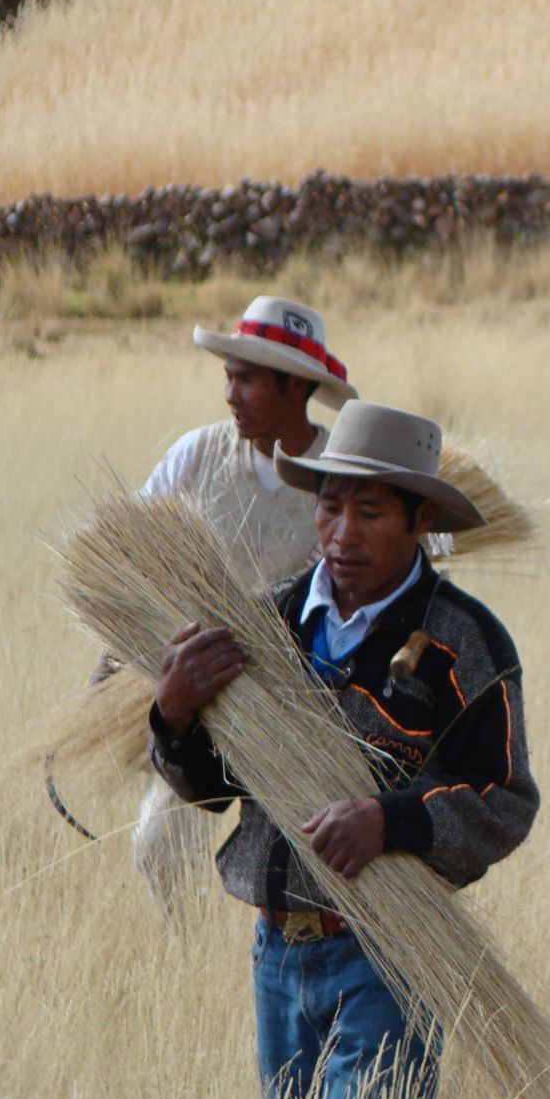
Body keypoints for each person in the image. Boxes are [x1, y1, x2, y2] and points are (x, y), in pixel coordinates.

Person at [148, 400, 538, 1099]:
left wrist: (390, 821)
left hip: (388, 960)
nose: (342, 533)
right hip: (276, 956)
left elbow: (504, 801)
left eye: (370, 512)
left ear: (419, 520)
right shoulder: (267, 623)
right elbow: (215, 787)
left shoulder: (463, 642)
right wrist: (174, 716)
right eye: (330, 506)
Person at [127, 296, 359, 910]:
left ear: (295, 388)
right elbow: (129, 549)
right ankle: (180, 968)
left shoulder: (346, 477)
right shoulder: (194, 457)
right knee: (158, 846)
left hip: (312, 714)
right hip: (201, 701)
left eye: (247, 379)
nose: (230, 393)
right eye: (228, 376)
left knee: (306, 872)